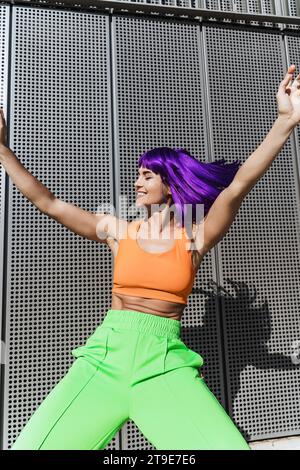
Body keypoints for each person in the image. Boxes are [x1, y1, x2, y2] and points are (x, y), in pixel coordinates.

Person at [1, 65, 299, 450]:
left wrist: (286, 121)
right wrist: (3, 149)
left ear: (170, 184)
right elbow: (50, 203)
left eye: (147, 175)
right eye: (137, 175)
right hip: (105, 357)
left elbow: (239, 184)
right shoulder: (120, 231)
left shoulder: (195, 236)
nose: (137, 182)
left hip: (163, 363)